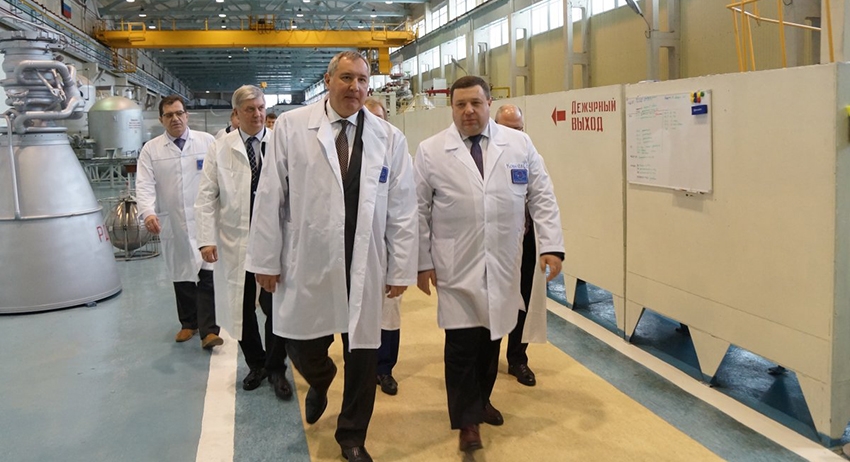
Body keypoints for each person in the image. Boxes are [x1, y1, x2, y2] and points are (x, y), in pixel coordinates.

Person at [245, 51, 418, 462]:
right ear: (327, 80)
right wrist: (265, 261)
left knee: (363, 353)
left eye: (362, 80)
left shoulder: (389, 138)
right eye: (346, 78)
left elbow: (402, 208)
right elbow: (270, 195)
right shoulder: (292, 126)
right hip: (308, 257)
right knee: (302, 345)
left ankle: (352, 436)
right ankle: (321, 378)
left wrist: (401, 266)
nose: (355, 87)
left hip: (365, 261)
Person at [414, 76, 564, 453]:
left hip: (503, 261)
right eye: (460, 104)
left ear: (488, 104)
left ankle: (481, 400)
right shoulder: (431, 151)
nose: (468, 111)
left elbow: (542, 195)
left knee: (490, 339)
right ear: (451, 107)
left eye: (475, 103)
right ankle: (468, 422)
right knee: (461, 344)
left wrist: (551, 246)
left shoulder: (518, 144)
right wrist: (420, 262)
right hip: (455, 264)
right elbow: (417, 210)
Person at [195, 85, 292, 397]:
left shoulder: (280, 142)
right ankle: (256, 364)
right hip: (235, 240)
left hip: (274, 239)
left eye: (261, 108)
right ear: (236, 114)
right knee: (242, 307)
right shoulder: (220, 147)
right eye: (250, 109)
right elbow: (206, 196)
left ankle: (276, 367)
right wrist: (206, 239)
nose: (258, 114)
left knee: (275, 306)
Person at [137, 95, 223, 350]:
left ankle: (209, 331)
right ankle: (188, 323)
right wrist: (147, 212)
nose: (175, 119)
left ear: (187, 115)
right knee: (181, 272)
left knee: (207, 275)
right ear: (161, 119)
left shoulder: (207, 142)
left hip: (204, 220)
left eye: (179, 113)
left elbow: (221, 178)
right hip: (172, 220)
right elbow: (144, 184)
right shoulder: (151, 149)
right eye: (169, 115)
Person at [494, 104, 539, 387]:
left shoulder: (528, 153)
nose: (515, 135)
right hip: (495, 243)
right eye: (508, 129)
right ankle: (486, 357)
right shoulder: (483, 158)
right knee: (493, 301)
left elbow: (541, 194)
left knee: (524, 298)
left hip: (525, 240)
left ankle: (517, 358)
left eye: (519, 129)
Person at [365, 97, 401, 396]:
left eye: (381, 118)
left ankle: (385, 368)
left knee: (389, 312)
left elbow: (405, 209)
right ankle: (362, 368)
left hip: (386, 248)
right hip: (353, 250)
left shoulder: (397, 152)